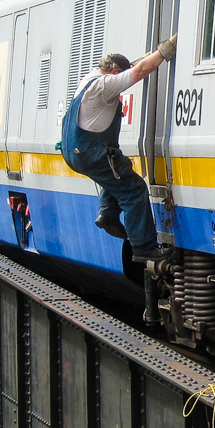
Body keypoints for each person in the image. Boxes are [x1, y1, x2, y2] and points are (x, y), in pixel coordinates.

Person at [61, 36, 176, 262]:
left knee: (118, 168)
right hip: (90, 153)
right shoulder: (105, 86)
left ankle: (108, 214)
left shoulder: (90, 78)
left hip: (75, 151)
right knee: (134, 190)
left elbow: (134, 66)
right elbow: (140, 71)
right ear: (115, 74)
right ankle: (143, 248)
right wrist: (166, 49)